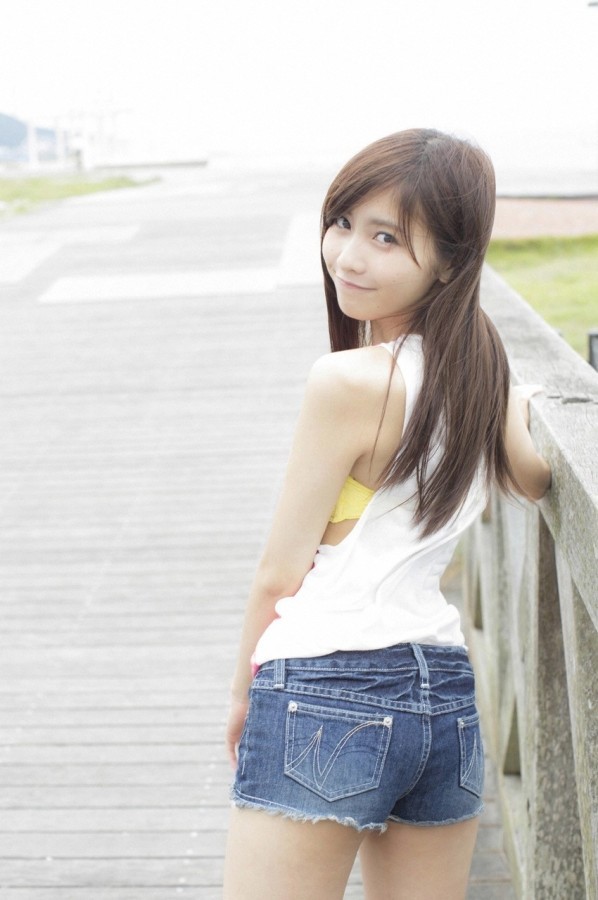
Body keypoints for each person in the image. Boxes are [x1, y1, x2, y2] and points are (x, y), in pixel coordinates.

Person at [223, 128, 551, 900]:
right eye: (343, 224)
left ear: (451, 262)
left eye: (386, 239)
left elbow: (279, 571)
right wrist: (519, 405)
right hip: (446, 697)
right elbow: (535, 480)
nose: (348, 256)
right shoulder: (481, 369)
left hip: (325, 684)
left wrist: (242, 695)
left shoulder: (347, 382)